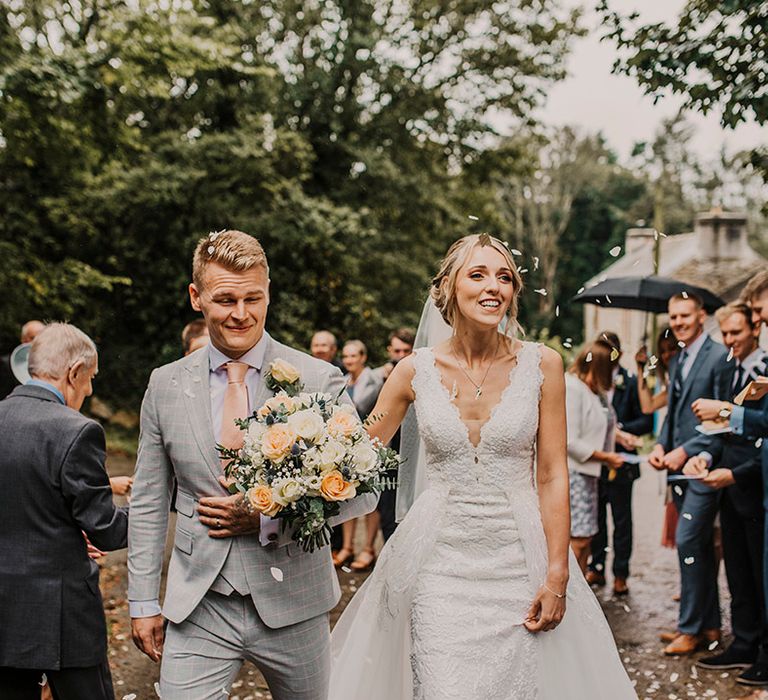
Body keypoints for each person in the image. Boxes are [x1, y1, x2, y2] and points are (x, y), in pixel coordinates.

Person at [329, 233, 635, 699]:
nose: (494, 286)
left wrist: (557, 573)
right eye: (478, 274)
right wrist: (295, 453)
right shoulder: (414, 370)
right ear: (449, 287)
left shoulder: (543, 365)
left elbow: (552, 474)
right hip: (439, 564)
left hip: (518, 560)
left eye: (505, 277)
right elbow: (356, 449)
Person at [127, 230, 378, 700]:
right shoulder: (164, 384)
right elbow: (147, 501)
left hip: (295, 603)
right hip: (199, 601)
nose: (240, 314)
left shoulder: (317, 379)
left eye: (253, 298)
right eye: (225, 299)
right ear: (196, 297)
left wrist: (268, 516)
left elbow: (363, 489)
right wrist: (142, 601)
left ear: (268, 294)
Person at [0, 323, 128, 700]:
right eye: (89, 379)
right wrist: (149, 514)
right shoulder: (76, 430)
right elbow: (105, 527)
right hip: (63, 614)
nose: (88, 391)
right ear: (74, 372)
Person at [681, 302, 767, 680]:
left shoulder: (765, 371)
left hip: (755, 484)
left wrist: (736, 474)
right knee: (737, 571)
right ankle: (744, 643)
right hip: (728, 487)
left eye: (737, 333)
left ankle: (764, 651)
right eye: (725, 334)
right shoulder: (732, 371)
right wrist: (703, 457)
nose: (729, 341)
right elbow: (722, 430)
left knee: (761, 574)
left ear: (755, 329)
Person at [649, 292, 728, 656]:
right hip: (676, 468)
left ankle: (691, 628)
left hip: (703, 465)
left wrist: (687, 451)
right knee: (696, 549)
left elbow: (723, 419)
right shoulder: (679, 357)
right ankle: (707, 623)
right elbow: (674, 412)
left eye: (684, 316)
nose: (677, 322)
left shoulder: (718, 357)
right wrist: (660, 446)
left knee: (689, 541)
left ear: (701, 317)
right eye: (673, 317)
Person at [588, 332, 653, 595]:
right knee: (598, 520)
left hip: (623, 464)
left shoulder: (633, 382)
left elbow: (647, 421)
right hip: (598, 463)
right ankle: (598, 567)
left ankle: (621, 573)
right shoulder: (592, 383)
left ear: (618, 353)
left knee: (623, 521)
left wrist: (620, 429)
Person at [565, 339, 624, 574]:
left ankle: (581, 596)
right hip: (574, 473)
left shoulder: (595, 392)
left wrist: (620, 437)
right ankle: (569, 597)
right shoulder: (572, 388)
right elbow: (569, 440)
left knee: (586, 538)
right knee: (577, 540)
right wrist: (606, 458)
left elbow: (600, 426)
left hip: (590, 475)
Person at [334, 339, 384, 569]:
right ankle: (347, 547)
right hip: (347, 446)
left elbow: (358, 407)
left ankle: (368, 548)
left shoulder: (373, 380)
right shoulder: (344, 380)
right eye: (345, 356)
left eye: (353, 356)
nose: (349, 360)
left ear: (363, 357)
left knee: (370, 496)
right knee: (348, 496)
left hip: (373, 443)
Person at [376, 328, 416, 542]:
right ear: (389, 350)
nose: (400, 356)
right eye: (397, 351)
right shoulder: (379, 376)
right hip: (389, 454)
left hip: (415, 452)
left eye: (406, 351)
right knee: (387, 509)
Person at [636, 326, 679, 414]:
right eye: (662, 351)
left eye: (672, 349)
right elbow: (648, 407)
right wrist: (640, 368)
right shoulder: (671, 384)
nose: (667, 355)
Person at [0, 319, 45, 399]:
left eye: (41, 337)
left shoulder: (50, 365)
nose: (37, 341)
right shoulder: (6, 363)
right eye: (33, 338)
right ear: (23, 340)